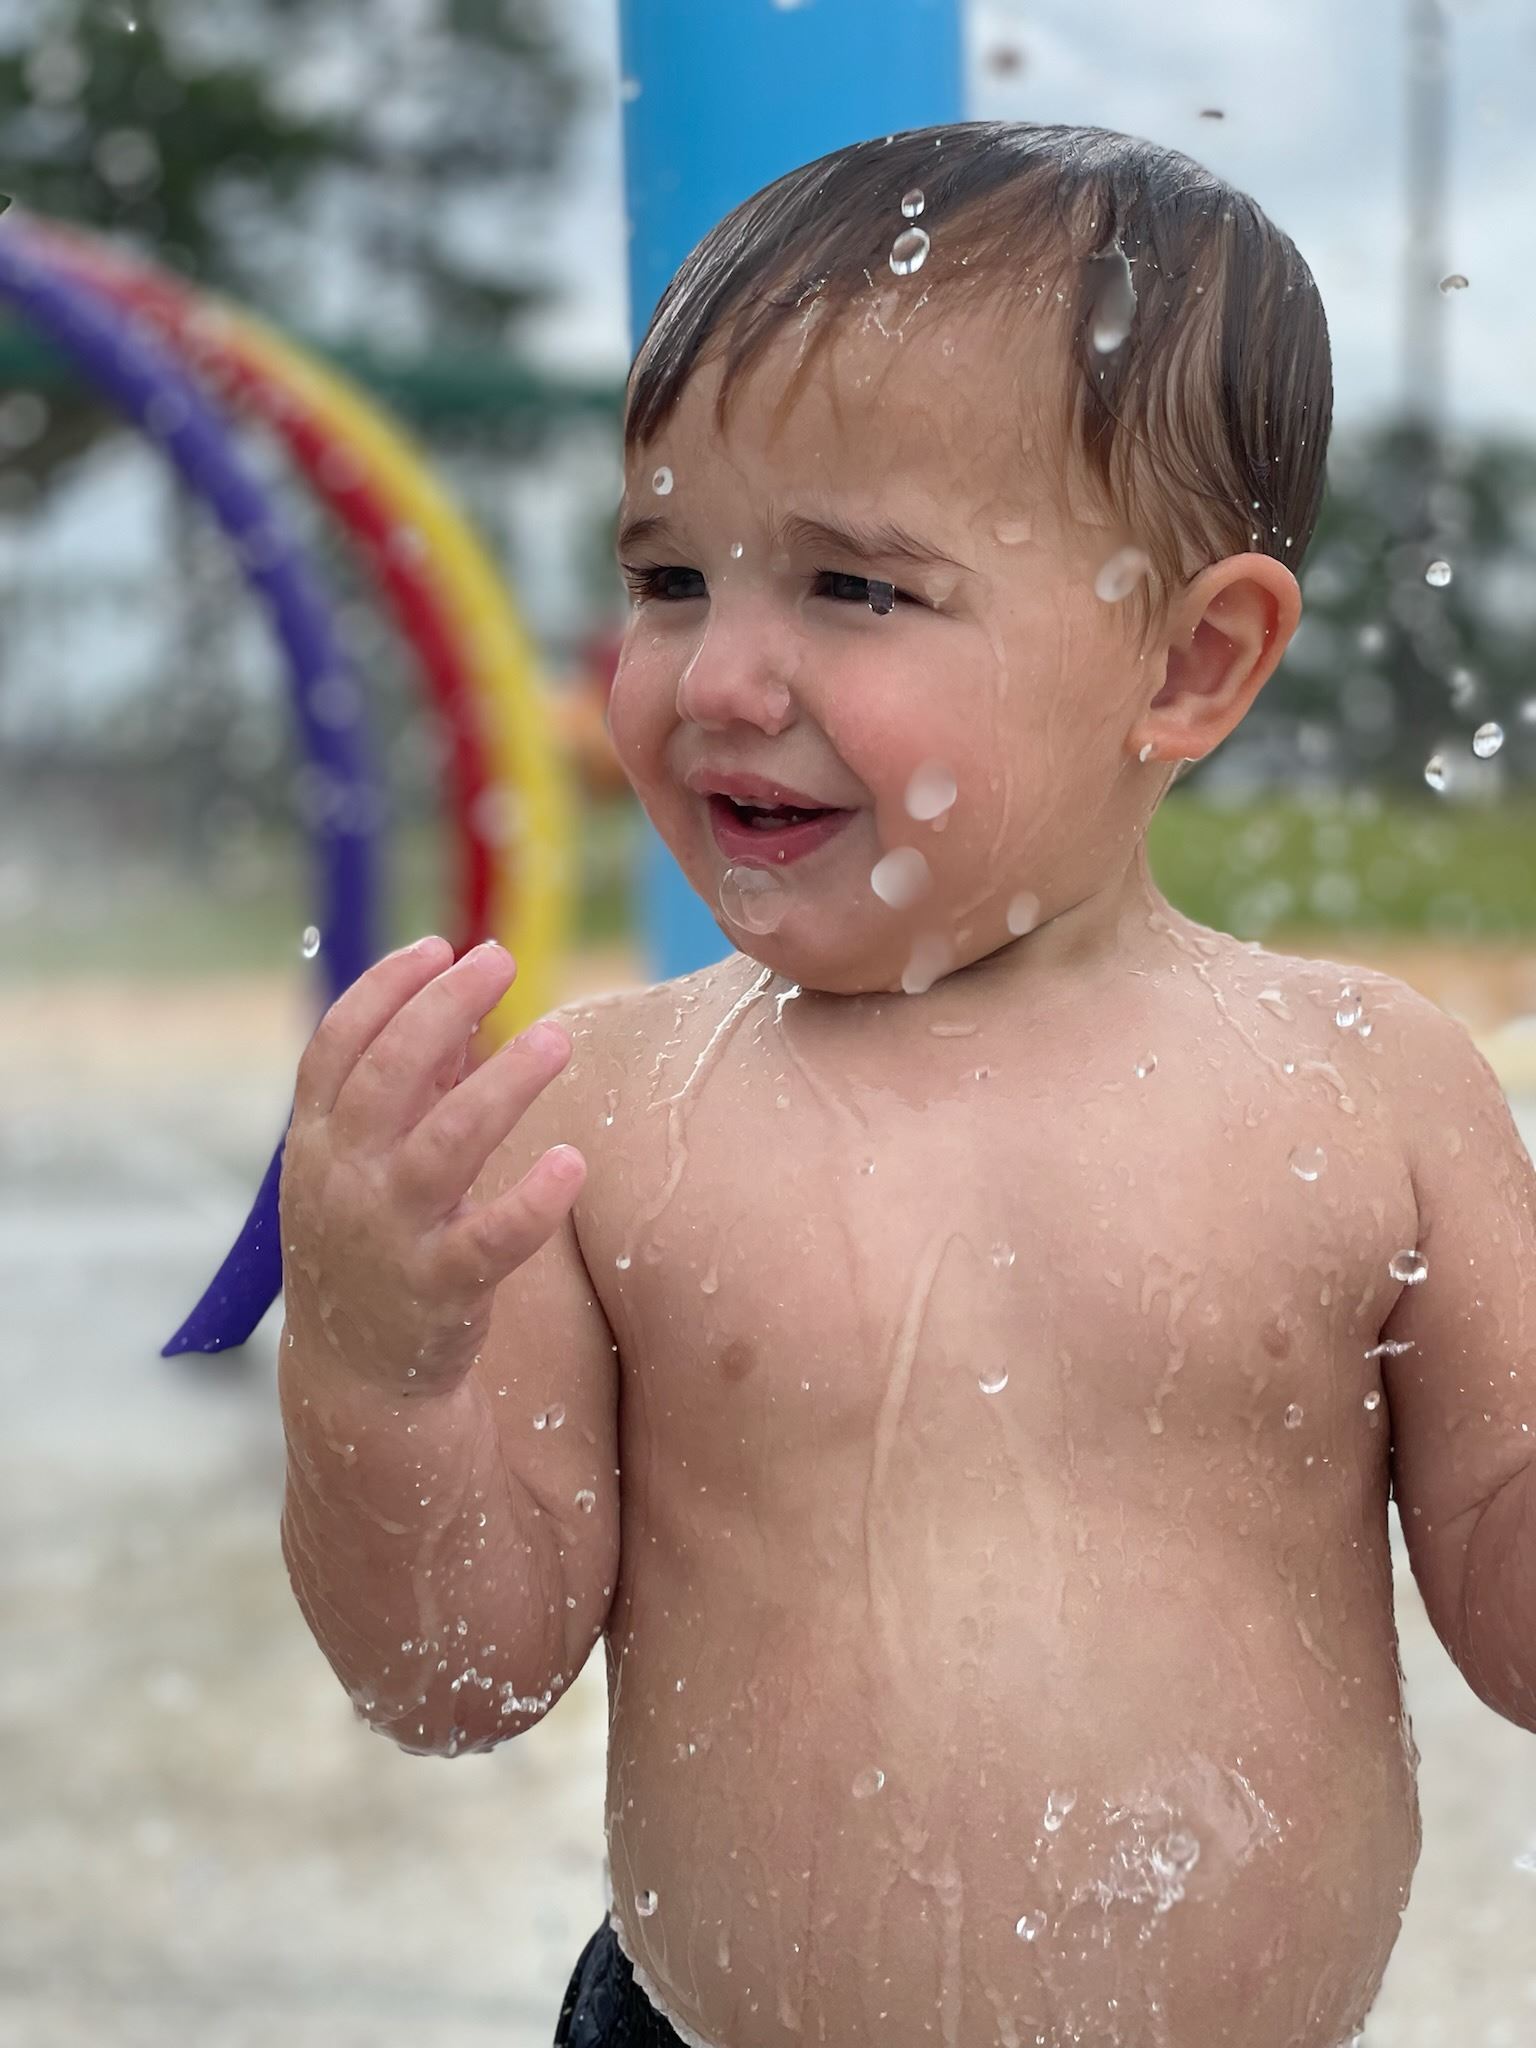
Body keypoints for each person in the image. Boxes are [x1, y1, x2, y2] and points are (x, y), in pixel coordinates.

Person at [276, 122, 1536, 2048]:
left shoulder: (1375, 1095)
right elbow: (458, 1673)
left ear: (1191, 664)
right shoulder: (593, 1119)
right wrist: (373, 1371)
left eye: (855, 591)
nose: (712, 678)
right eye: (672, 574)